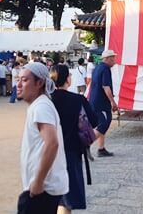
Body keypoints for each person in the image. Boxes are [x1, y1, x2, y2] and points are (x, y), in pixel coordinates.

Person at [16, 62, 68, 214]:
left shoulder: (41, 107)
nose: (18, 84)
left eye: (24, 80)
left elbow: (52, 143)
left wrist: (38, 181)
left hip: (43, 189)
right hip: (43, 187)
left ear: (39, 83)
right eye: (18, 79)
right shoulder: (39, 105)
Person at [50, 64, 98, 213]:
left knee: (55, 195)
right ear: (67, 80)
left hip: (49, 152)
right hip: (71, 151)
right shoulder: (78, 100)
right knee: (68, 196)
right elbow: (94, 121)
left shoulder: (47, 100)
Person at [88, 50, 118, 158]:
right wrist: (113, 102)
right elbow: (106, 87)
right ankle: (86, 144)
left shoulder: (97, 68)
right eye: (113, 58)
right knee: (104, 123)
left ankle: (101, 148)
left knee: (101, 123)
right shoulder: (105, 69)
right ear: (108, 58)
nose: (114, 60)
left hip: (94, 100)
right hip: (101, 102)